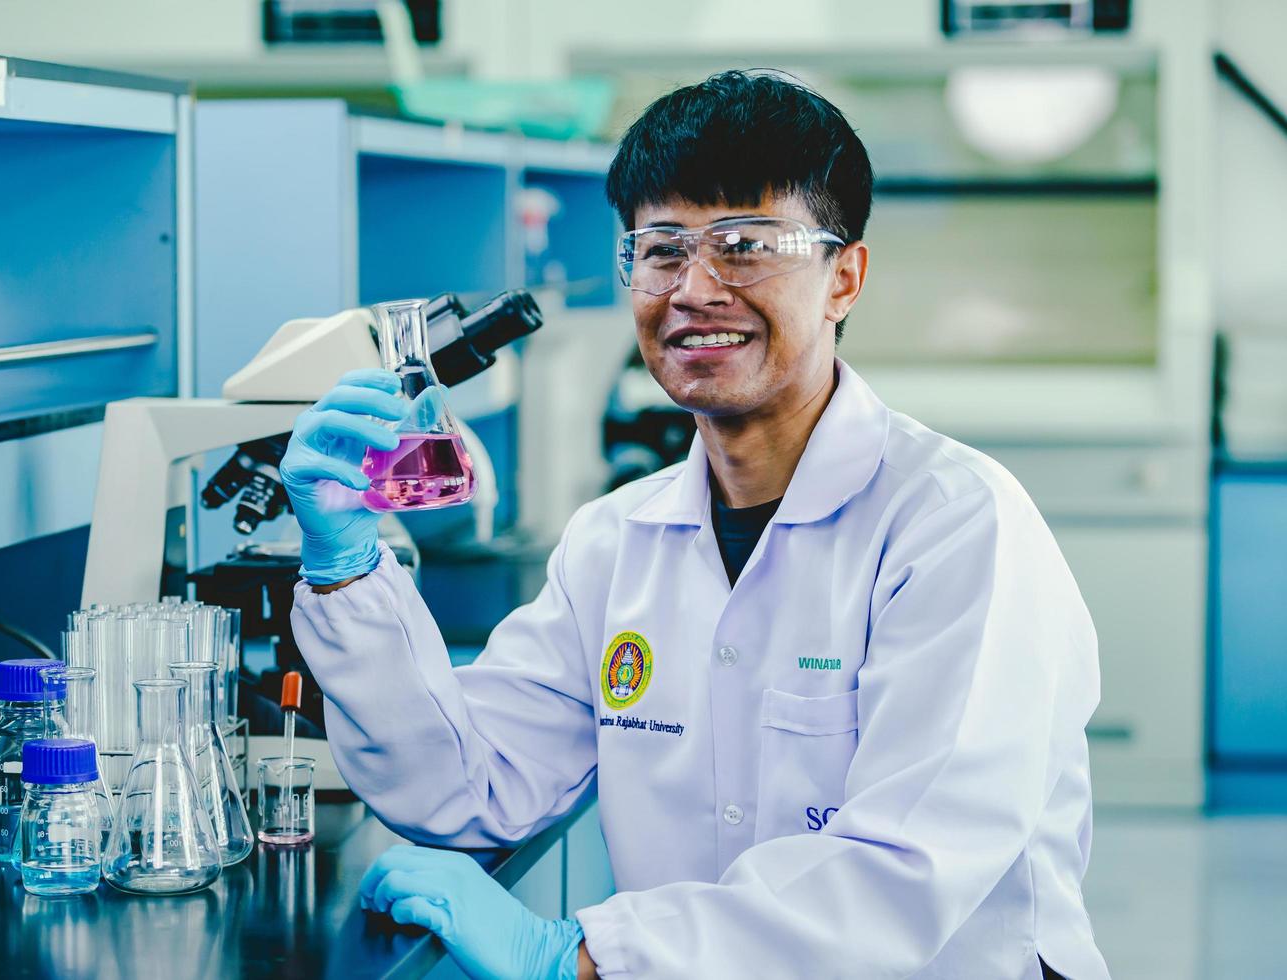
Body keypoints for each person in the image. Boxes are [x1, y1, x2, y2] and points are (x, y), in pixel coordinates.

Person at [281, 70, 1109, 980]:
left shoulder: (956, 529)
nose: (696, 288)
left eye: (748, 245)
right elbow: (467, 790)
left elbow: (905, 873)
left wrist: (584, 955)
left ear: (845, 277)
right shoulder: (614, 543)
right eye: (662, 249)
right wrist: (344, 568)